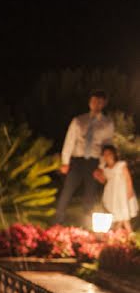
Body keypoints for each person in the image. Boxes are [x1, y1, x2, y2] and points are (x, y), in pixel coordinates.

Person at [54, 90, 115, 225]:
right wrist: (65, 162)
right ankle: (58, 219)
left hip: (94, 161)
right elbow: (69, 141)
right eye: (93, 101)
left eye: (99, 102)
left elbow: (108, 146)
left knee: (90, 192)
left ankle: (87, 221)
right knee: (68, 189)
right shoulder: (78, 120)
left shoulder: (107, 123)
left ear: (104, 104)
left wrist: (102, 166)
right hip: (77, 160)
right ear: (89, 102)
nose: (96, 104)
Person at [97, 144, 137, 231]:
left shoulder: (120, 165)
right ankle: (118, 233)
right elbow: (103, 180)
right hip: (111, 192)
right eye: (105, 155)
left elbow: (128, 178)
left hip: (121, 192)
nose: (107, 156)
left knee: (123, 213)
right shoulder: (105, 169)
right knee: (117, 214)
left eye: (109, 154)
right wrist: (98, 175)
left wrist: (129, 191)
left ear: (114, 154)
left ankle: (129, 234)